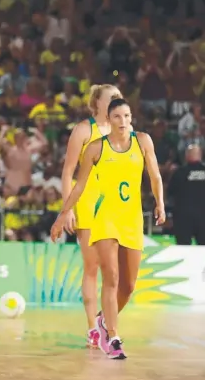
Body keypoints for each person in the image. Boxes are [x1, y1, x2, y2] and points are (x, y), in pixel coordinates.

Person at [51, 98, 165, 360]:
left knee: (129, 285)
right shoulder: (96, 148)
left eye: (127, 116)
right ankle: (112, 337)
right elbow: (79, 186)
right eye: (117, 117)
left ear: (131, 117)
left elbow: (155, 176)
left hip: (132, 220)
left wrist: (160, 203)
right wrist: (63, 214)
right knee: (110, 277)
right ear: (109, 120)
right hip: (105, 219)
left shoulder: (143, 141)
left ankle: (102, 321)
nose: (123, 121)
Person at [60, 84, 121, 347]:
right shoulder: (84, 130)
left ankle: (107, 323)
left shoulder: (122, 132)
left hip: (114, 205)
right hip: (87, 203)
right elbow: (67, 173)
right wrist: (67, 209)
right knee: (92, 267)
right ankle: (92, 328)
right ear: (97, 103)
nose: (117, 102)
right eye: (112, 98)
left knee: (114, 271)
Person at [168, 145, 205, 245]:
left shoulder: (179, 173)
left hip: (183, 217)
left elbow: (170, 192)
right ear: (200, 155)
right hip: (203, 217)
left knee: (183, 248)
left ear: (186, 156)